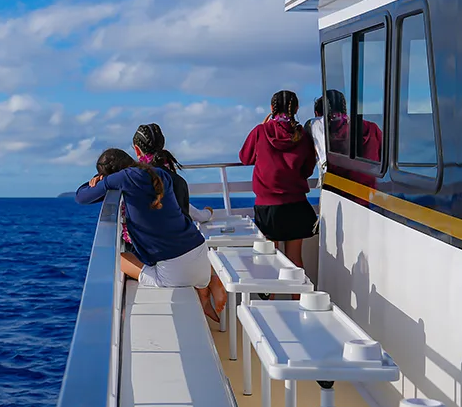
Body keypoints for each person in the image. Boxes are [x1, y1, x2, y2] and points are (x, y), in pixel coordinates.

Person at [75, 148, 227, 322]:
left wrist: (97, 181)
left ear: (112, 173)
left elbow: (81, 197)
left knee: (118, 258)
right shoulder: (160, 173)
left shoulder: (124, 178)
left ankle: (206, 283)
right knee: (172, 256)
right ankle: (206, 284)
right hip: (200, 253)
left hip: (176, 273)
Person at [239, 90, 318, 280]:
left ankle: (270, 304)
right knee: (294, 260)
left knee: (270, 261)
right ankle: (300, 303)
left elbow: (245, 158)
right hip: (296, 204)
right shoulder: (302, 135)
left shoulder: (261, 131)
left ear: (272, 108)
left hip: (268, 206)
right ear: (296, 108)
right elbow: (307, 170)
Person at [132, 123, 214, 223]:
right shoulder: (177, 181)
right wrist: (208, 212)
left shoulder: (131, 180)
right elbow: (195, 215)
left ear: (137, 150)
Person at [305, 97, 328, 186]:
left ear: (316, 113)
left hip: (327, 174)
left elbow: (309, 156)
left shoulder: (312, 124)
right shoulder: (350, 122)